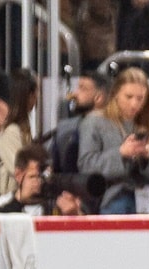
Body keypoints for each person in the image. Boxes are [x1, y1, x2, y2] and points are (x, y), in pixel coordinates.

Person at [78, 67, 149, 214]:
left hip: (147, 205)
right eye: (128, 97)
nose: (134, 104)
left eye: (140, 98)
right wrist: (121, 153)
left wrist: (148, 157)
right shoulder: (94, 122)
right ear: (116, 94)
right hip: (110, 203)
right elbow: (86, 166)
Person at [50, 71, 110, 214]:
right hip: (68, 206)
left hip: (105, 208)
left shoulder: (113, 132)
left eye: (83, 88)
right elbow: (57, 171)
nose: (75, 93)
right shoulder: (65, 131)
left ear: (99, 97)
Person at [0, 143, 85, 215]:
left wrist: (75, 214)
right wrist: (19, 202)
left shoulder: (57, 205)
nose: (40, 182)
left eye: (44, 178)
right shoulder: (2, 204)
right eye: (33, 176)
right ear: (18, 175)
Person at [0, 68, 39, 197]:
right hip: (9, 201)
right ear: (29, 95)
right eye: (36, 92)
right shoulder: (11, 131)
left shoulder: (22, 129)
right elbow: (20, 170)